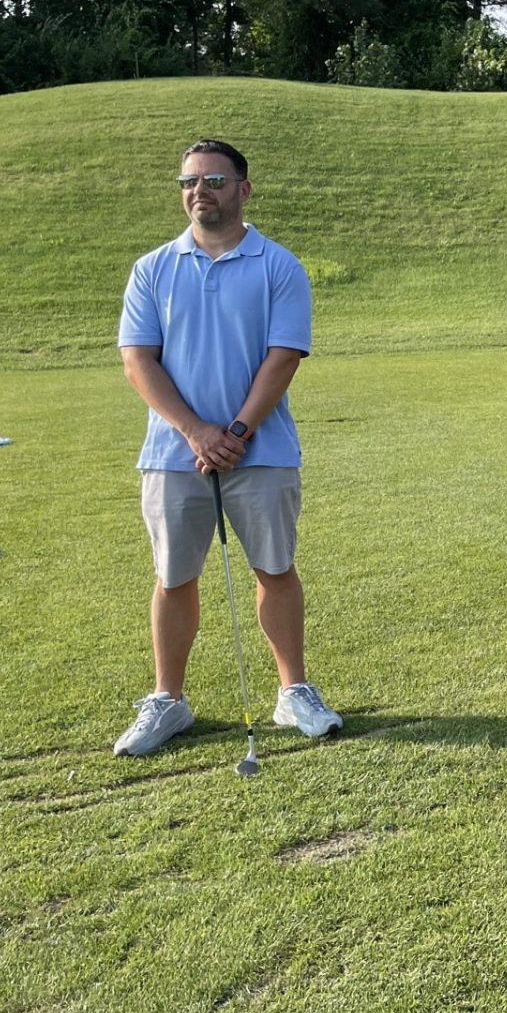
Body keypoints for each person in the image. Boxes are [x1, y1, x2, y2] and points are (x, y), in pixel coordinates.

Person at [114, 139, 340, 756]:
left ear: (243, 189)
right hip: (172, 454)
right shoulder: (152, 268)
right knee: (173, 577)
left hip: (260, 452)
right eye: (189, 181)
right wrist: (196, 432)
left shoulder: (279, 266)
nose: (200, 191)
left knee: (275, 569)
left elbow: (283, 356)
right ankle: (168, 701)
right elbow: (138, 361)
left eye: (214, 180)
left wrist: (235, 433)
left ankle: (293, 691)